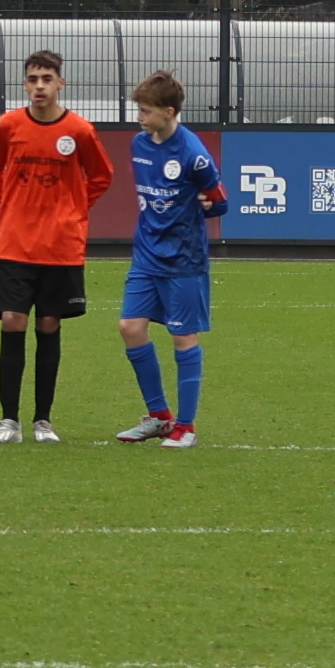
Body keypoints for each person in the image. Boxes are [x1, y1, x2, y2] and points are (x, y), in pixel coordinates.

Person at [0, 51, 116, 445]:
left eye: (46, 79)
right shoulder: (9, 125)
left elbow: (102, 175)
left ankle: (43, 421)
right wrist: (9, 201)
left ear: (60, 84)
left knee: (49, 325)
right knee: (12, 321)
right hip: (15, 243)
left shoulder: (80, 130)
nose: (39, 86)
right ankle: (8, 421)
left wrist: (74, 210)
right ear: (24, 84)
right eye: (32, 78)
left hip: (61, 247)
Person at [111, 72, 223, 446]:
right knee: (130, 327)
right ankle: (159, 416)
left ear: (169, 112)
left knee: (182, 337)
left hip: (183, 259)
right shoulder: (138, 144)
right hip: (146, 254)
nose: (139, 117)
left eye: (145, 111)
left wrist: (202, 205)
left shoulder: (194, 155)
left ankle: (186, 427)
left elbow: (219, 202)